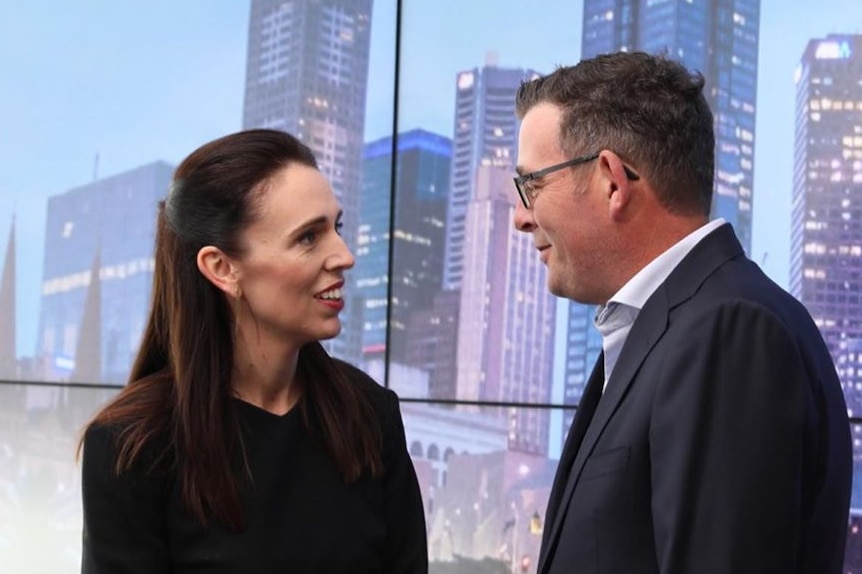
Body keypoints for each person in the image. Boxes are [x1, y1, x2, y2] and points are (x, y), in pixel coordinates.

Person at [512, 51, 852, 573]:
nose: (520, 217)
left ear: (611, 180)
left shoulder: (728, 332)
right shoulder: (669, 330)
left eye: (531, 185)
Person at [78, 128, 428, 573]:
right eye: (307, 237)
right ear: (222, 268)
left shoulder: (369, 415)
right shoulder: (132, 444)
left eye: (336, 228)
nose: (343, 255)